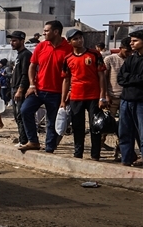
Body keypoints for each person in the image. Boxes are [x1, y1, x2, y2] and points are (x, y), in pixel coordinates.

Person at [18, 20, 74, 153]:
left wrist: (68, 91)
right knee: (25, 110)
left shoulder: (69, 48)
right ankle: (33, 141)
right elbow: (32, 66)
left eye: (46, 31)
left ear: (56, 32)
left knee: (52, 121)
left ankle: (49, 147)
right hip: (38, 90)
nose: (43, 33)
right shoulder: (41, 46)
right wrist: (32, 84)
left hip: (57, 92)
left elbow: (72, 73)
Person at [60, 29, 108, 160]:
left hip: (93, 96)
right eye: (75, 39)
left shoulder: (95, 54)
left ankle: (95, 155)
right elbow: (66, 80)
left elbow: (101, 76)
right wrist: (63, 100)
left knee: (95, 126)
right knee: (77, 126)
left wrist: (102, 96)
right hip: (76, 97)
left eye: (80, 37)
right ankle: (78, 153)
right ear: (69, 42)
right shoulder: (68, 59)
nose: (79, 40)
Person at [116, 29, 143, 166]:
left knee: (142, 132)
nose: (131, 43)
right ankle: (126, 159)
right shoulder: (131, 58)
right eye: (131, 41)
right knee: (125, 131)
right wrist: (134, 79)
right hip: (126, 100)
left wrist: (129, 78)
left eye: (135, 41)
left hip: (140, 101)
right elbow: (120, 77)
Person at [105, 38, 130, 160]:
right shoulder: (110, 59)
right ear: (121, 48)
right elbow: (103, 78)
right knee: (105, 125)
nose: (129, 53)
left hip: (126, 97)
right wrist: (105, 95)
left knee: (124, 127)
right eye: (127, 51)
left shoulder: (131, 60)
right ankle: (98, 147)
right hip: (112, 97)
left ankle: (119, 151)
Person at [7, 31, 33, 147]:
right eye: (11, 40)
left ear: (22, 41)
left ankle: (24, 140)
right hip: (14, 88)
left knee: (21, 115)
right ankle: (22, 138)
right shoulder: (19, 55)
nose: (12, 43)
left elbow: (25, 74)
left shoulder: (26, 54)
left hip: (19, 88)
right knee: (17, 116)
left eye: (14, 40)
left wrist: (20, 90)